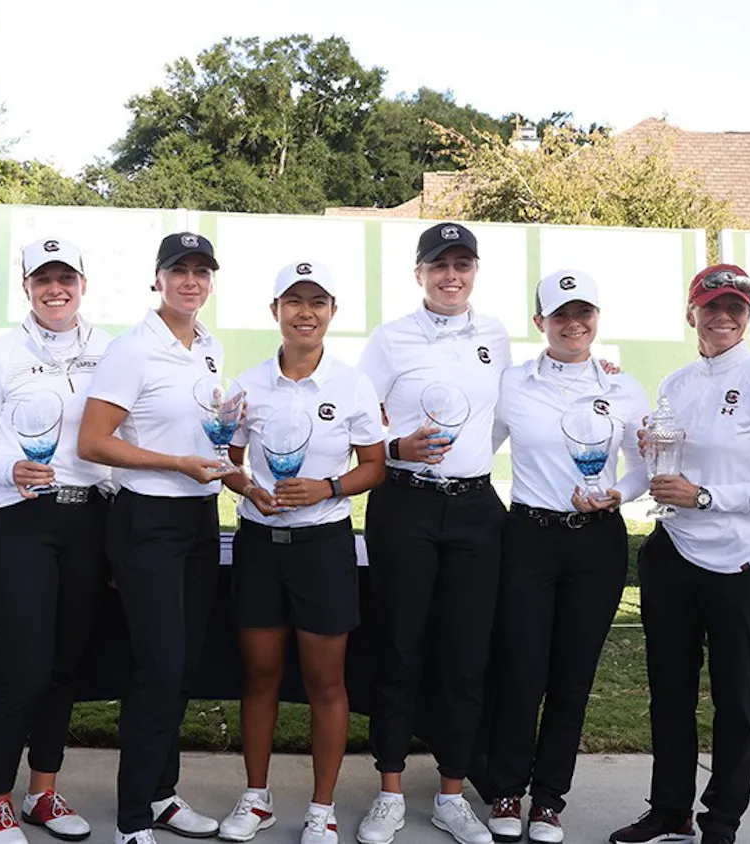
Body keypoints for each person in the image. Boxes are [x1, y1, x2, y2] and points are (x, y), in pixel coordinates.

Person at [609, 265, 750, 844]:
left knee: (733, 698)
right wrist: (650, 460)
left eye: (736, 308)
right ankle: (670, 808)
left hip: (739, 562)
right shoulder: (675, 383)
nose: (723, 316)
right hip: (673, 552)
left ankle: (721, 819)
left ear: (749, 316)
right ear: (690, 312)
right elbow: (660, 467)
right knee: (669, 692)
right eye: (712, 305)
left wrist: (708, 496)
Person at [215, 262, 385, 844]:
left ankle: (322, 807)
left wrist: (329, 487)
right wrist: (247, 488)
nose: (305, 312)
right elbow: (227, 461)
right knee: (260, 674)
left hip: (323, 546)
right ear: (275, 312)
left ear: (332, 312)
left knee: (325, 682)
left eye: (317, 301)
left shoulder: (352, 385)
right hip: (261, 545)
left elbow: (374, 465)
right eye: (294, 301)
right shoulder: (248, 384)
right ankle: (256, 798)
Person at [477, 270, 650, 844]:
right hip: (527, 538)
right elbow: (482, 446)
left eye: (584, 313)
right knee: (521, 671)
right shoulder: (514, 383)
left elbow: (646, 462)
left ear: (597, 318)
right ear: (540, 323)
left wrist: (618, 493)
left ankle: (550, 800)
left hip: (597, 541)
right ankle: (506, 788)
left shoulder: (623, 387)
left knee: (573, 678)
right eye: (560, 315)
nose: (573, 324)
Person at [354, 222, 510, 844]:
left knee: (466, 656)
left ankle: (451, 792)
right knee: (399, 648)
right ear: (418, 273)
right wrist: (398, 448)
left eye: (462, 264)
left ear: (475, 271)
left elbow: (504, 413)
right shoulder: (391, 339)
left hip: (475, 509)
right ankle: (389, 791)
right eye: (439, 264)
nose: (452, 275)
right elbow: (361, 423)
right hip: (405, 505)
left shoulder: (495, 335)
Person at [78, 232, 232, 844]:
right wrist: (175, 463)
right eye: (179, 271)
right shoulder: (132, 349)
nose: (190, 281)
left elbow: (203, 433)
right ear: (158, 279)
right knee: (159, 667)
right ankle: (132, 818)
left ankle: (162, 794)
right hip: (146, 520)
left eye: (201, 271)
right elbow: (94, 441)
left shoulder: (209, 346)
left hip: (198, 519)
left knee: (184, 667)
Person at [0, 238, 113, 844]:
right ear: (25, 286)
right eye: (43, 279)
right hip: (23, 516)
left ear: (83, 283)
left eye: (66, 279)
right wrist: (9, 470)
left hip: (91, 521)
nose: (56, 289)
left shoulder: (111, 351)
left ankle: (43, 794)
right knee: (24, 668)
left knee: (64, 667)